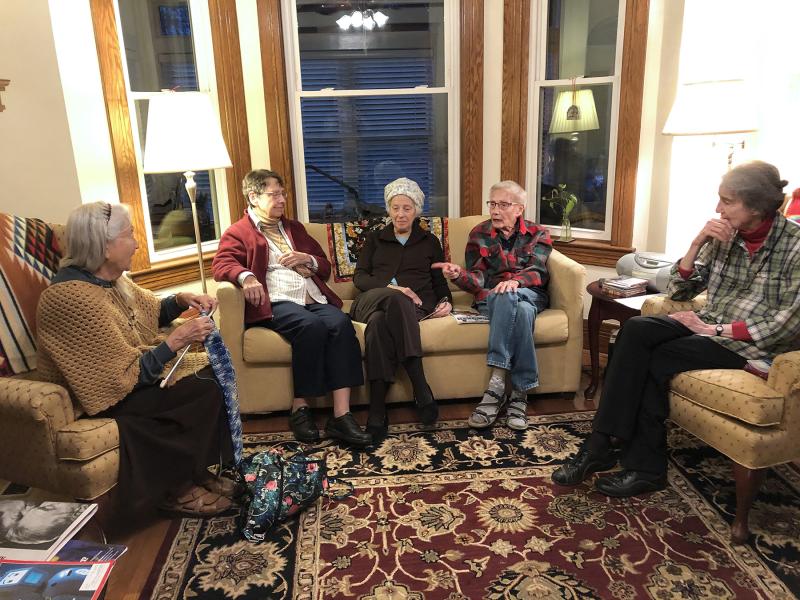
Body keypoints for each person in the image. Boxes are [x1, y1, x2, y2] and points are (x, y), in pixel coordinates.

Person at [552, 161, 800, 497]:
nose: (718, 209)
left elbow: (788, 323)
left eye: (727, 201)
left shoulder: (794, 247)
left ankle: (624, 457)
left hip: (748, 346)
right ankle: (615, 451)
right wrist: (697, 244)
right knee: (635, 331)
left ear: (757, 206)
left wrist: (717, 331)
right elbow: (680, 291)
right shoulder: (724, 237)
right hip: (707, 327)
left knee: (655, 358)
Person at [37, 202, 237, 517]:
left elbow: (150, 310)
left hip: (126, 380)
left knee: (211, 378)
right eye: (129, 235)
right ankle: (174, 487)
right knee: (199, 390)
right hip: (99, 396)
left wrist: (182, 299)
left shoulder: (110, 279)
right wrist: (179, 339)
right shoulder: (70, 297)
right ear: (104, 246)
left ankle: (191, 470)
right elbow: (119, 379)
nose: (137, 243)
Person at [212, 169, 371, 446]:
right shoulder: (239, 232)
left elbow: (324, 266)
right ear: (253, 197)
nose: (282, 199)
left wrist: (307, 258)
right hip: (278, 301)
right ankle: (300, 408)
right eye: (274, 194)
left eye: (283, 193)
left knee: (341, 324)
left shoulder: (294, 228)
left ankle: (341, 416)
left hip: (312, 297)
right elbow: (222, 264)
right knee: (311, 327)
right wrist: (246, 276)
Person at [433, 180, 552, 431]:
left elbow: (538, 271)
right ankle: (520, 394)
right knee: (514, 306)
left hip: (530, 293)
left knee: (510, 296)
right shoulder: (479, 234)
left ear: (519, 209)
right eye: (492, 203)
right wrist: (458, 276)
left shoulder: (538, 233)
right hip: (494, 299)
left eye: (503, 204)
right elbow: (477, 279)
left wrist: (515, 282)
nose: (495, 210)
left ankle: (496, 385)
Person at [349, 178, 452, 441]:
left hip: (413, 307)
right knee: (396, 300)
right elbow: (360, 278)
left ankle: (377, 408)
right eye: (395, 208)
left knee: (378, 327)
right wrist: (393, 289)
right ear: (388, 209)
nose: (400, 214)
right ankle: (420, 385)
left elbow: (439, 280)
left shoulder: (430, 241)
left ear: (416, 210)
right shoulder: (375, 239)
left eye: (407, 208)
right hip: (371, 300)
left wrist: (446, 300)